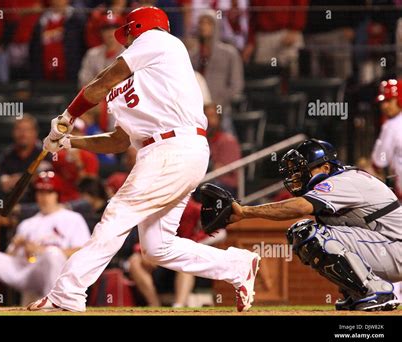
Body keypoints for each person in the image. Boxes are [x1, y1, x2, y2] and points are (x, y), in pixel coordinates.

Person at [28, 6, 260, 313]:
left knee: (117, 214)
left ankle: (67, 292)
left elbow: (102, 78)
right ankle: (235, 266)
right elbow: (118, 141)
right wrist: (68, 142)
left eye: (128, 33)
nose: (126, 40)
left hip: (173, 148)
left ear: (139, 27)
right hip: (166, 152)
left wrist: (69, 115)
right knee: (157, 247)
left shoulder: (160, 40)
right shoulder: (143, 80)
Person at [230, 139, 401, 311]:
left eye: (303, 171)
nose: (296, 177)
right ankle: (358, 292)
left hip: (395, 248)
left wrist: (245, 212)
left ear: (326, 168)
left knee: (310, 234)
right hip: (386, 247)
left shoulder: (344, 180)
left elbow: (300, 207)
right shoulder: (340, 180)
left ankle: (377, 292)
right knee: (307, 233)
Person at [0, 171, 91, 307]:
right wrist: (16, 246)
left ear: (57, 194)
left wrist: (41, 250)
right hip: (26, 272)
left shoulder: (72, 218)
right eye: (40, 192)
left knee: (52, 253)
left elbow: (82, 251)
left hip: (54, 273)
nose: (44, 197)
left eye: (49, 192)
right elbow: (10, 257)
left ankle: (54, 304)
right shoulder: (27, 223)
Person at [128, 197, 226, 307]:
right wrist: (145, 252)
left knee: (184, 257)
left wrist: (190, 245)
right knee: (135, 260)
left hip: (183, 254)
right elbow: (146, 236)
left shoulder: (195, 209)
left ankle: (179, 306)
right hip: (161, 256)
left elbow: (220, 232)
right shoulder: (156, 208)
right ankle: (154, 305)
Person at [188, 10, 243, 133]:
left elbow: (237, 85)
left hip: (221, 108)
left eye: (208, 23)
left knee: (226, 138)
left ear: (216, 25)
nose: (203, 26)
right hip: (196, 110)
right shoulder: (193, 56)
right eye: (201, 23)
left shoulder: (229, 53)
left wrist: (217, 103)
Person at [29, 0, 86, 81]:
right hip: (44, 74)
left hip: (70, 74)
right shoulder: (41, 20)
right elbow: (34, 49)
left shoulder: (78, 19)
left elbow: (82, 46)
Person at [0, 115, 46, 200]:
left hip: (39, 202)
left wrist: (22, 179)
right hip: (14, 202)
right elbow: (2, 176)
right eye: (19, 129)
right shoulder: (7, 154)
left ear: (35, 132)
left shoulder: (45, 153)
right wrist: (5, 181)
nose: (23, 134)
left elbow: (48, 176)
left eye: (27, 130)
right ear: (13, 132)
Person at [371, 79, 402, 200]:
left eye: (389, 101)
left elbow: (379, 162)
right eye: (383, 102)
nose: (384, 106)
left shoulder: (391, 125)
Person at [205, 103, 241, 195]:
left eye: (212, 116)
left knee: (207, 186)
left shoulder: (228, 140)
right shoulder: (203, 141)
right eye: (205, 116)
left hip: (226, 187)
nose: (208, 120)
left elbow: (222, 170)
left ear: (219, 119)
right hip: (209, 181)